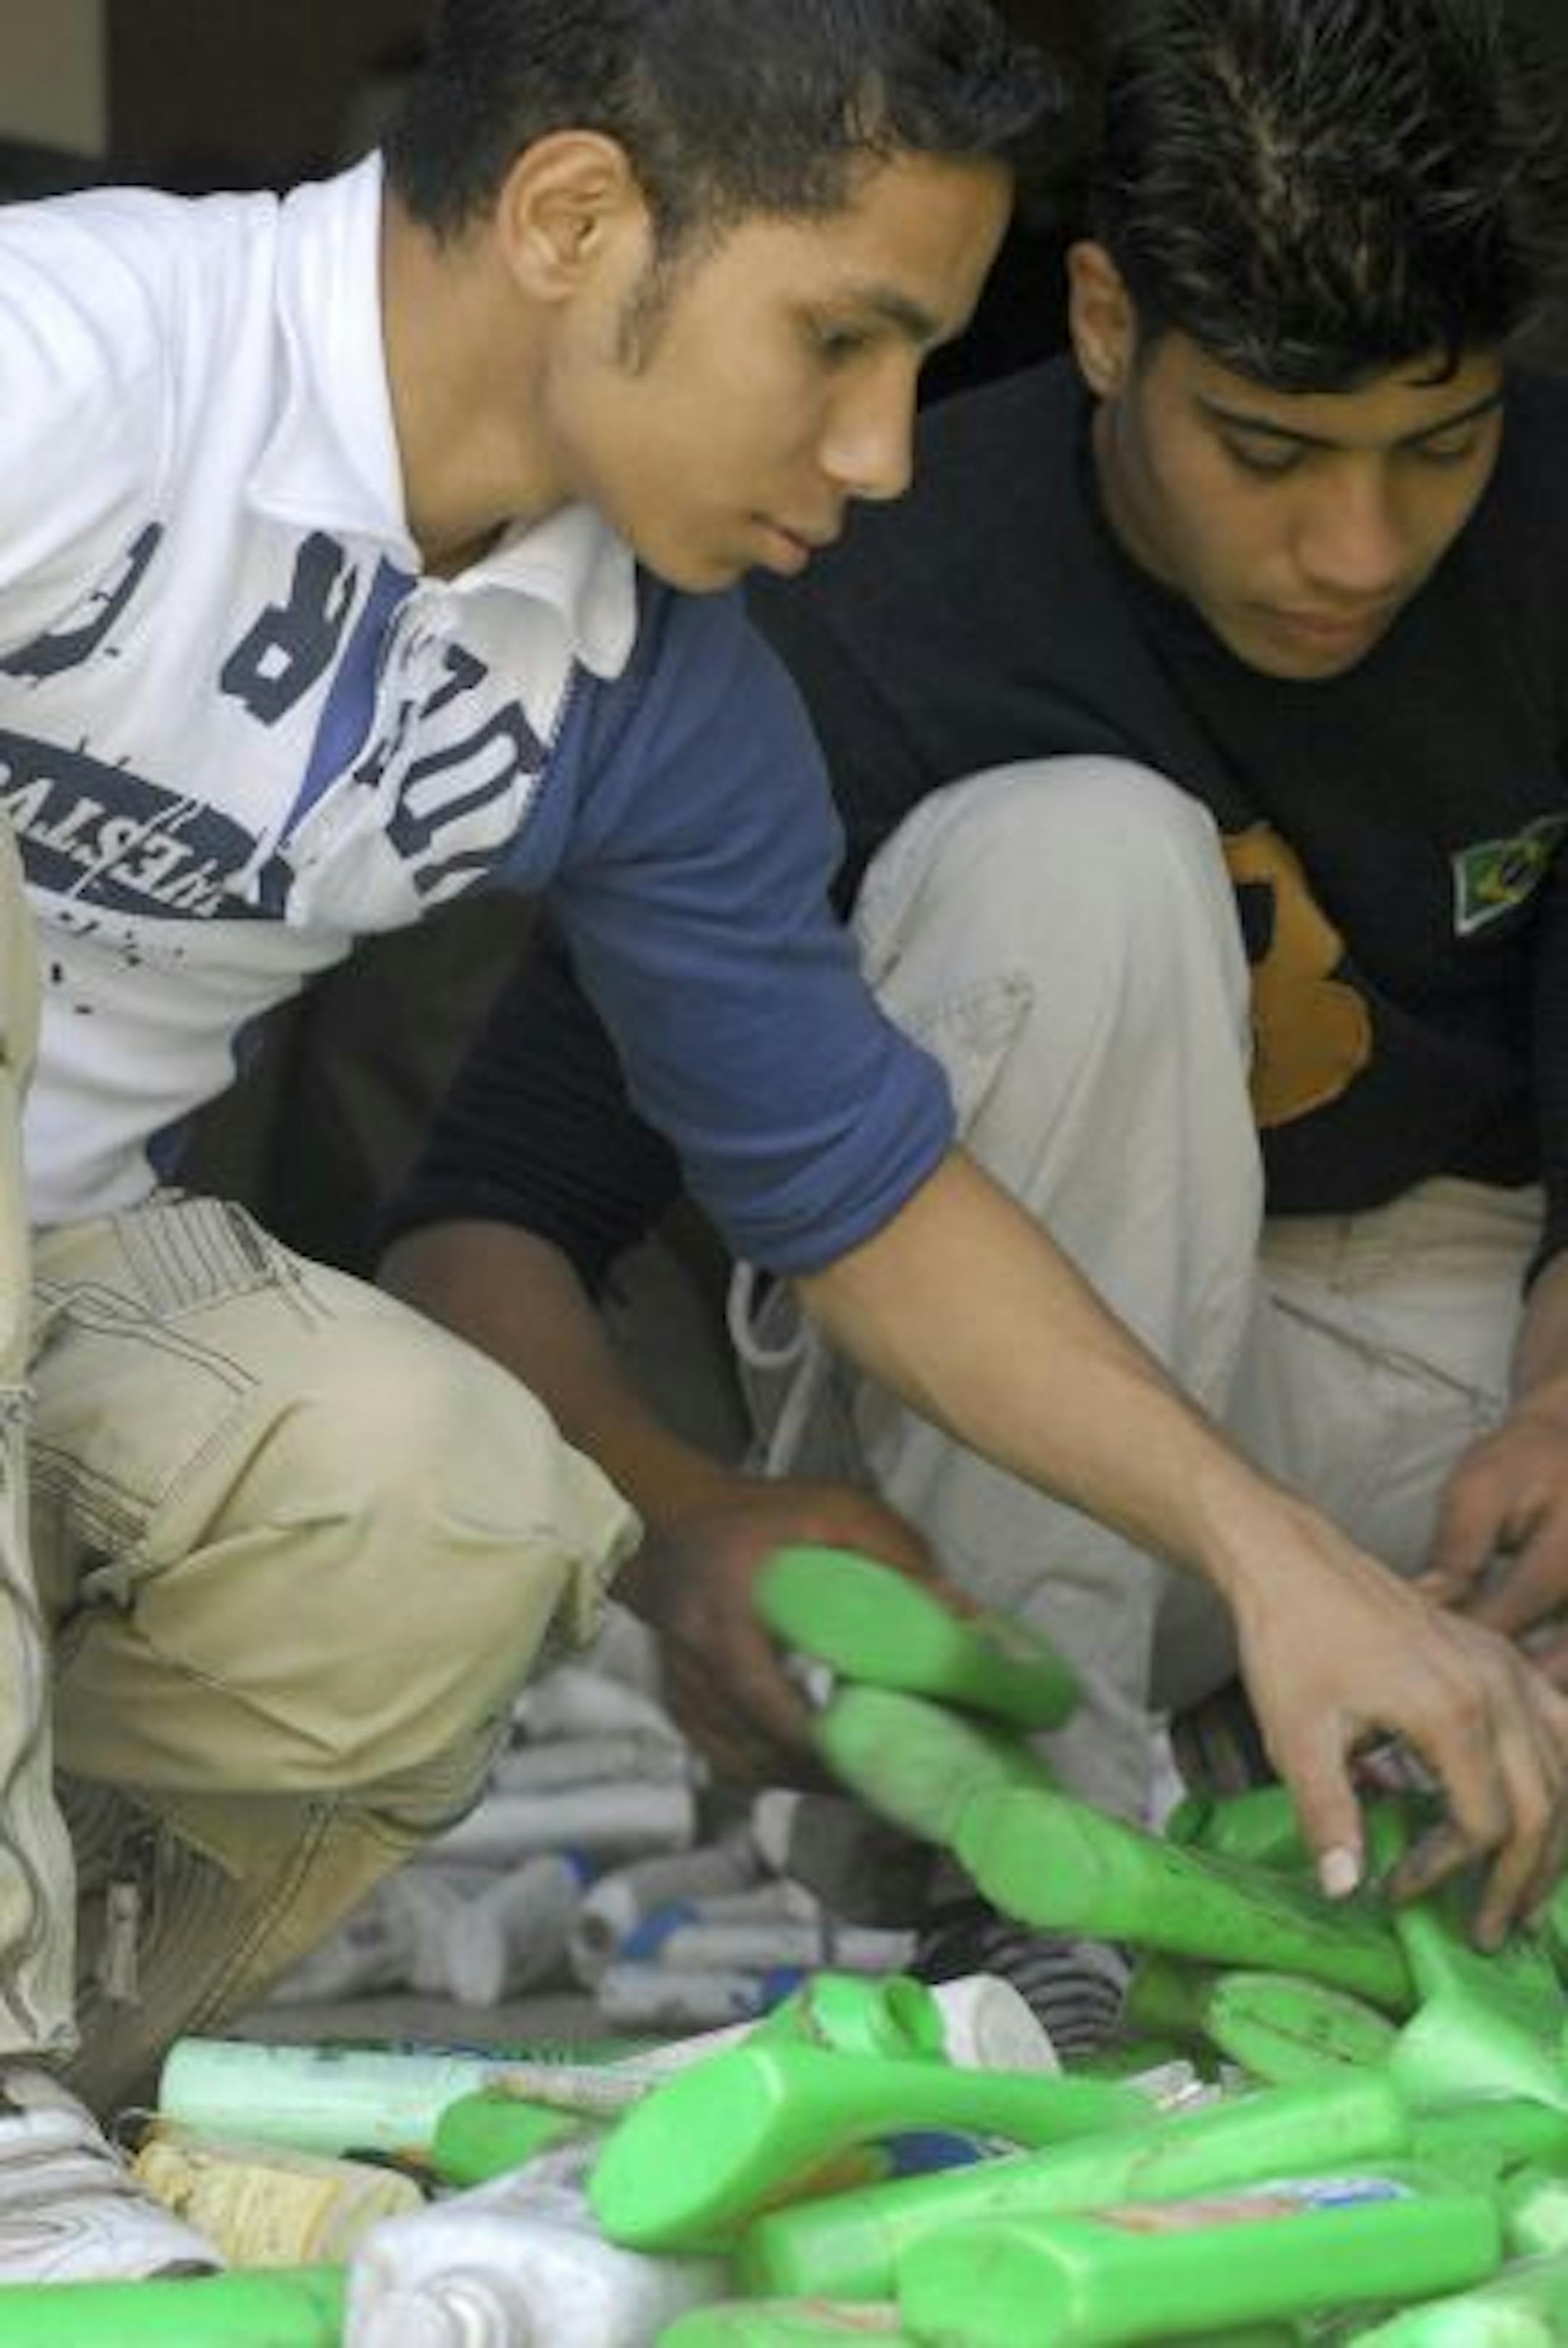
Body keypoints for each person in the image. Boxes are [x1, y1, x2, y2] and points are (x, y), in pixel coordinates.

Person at [381, 0, 1568, 2044]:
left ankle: (1326, 1807)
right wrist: (689, 1523)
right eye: (1270, 451)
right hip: (1015, 1430)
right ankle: (1049, 1887)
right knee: (1082, 864)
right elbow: (482, 1218)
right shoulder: (857, 591)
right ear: (1104, 322)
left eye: (1436, 448)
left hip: (1448, 1426)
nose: (1356, 548)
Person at [0, 0, 1054, 2278]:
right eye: (842, 339)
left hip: (51, 1300)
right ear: (576, 218)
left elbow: (861, 1188)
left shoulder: (635, 676)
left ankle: (50, 2083)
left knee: (456, 1505)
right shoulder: (74, 364)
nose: (885, 450)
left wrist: (1288, 1566)